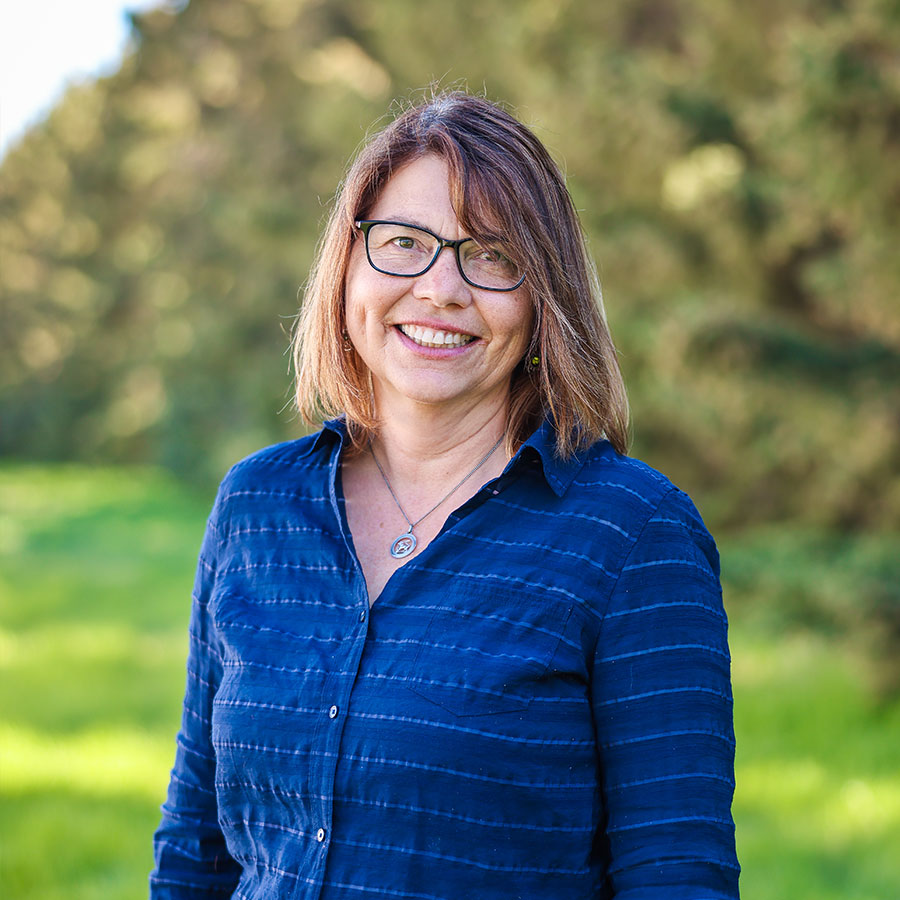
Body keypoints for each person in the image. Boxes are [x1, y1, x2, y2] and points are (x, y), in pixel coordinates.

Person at [150, 91, 740, 899]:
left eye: (493, 256)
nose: (440, 289)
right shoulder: (256, 506)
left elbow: (677, 877)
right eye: (404, 243)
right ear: (348, 265)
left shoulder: (634, 534)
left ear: (544, 299)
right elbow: (195, 854)